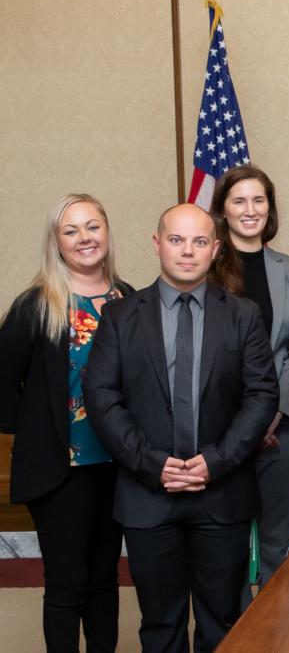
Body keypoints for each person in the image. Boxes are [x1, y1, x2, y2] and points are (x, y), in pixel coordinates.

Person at [84, 204, 278, 653]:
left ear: (214, 249)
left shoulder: (243, 315)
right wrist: (153, 464)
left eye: (198, 241)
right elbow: (102, 398)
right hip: (148, 495)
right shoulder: (119, 317)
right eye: (176, 240)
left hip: (222, 494)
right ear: (157, 245)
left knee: (225, 621)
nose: (186, 251)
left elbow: (261, 396)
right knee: (160, 623)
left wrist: (215, 462)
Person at [0, 194, 132, 652]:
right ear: (56, 241)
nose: (84, 238)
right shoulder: (37, 304)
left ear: (107, 233)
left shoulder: (129, 300)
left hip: (118, 468)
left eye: (92, 227)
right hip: (59, 472)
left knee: (105, 579)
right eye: (71, 230)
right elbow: (3, 383)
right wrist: (39, 429)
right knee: (66, 584)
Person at [208, 165, 289, 589]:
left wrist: (272, 412)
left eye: (259, 200)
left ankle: (277, 635)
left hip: (280, 429)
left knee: (280, 546)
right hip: (219, 430)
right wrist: (242, 423)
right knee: (223, 546)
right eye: (239, 201)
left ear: (269, 209)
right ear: (223, 210)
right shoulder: (204, 266)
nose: (250, 210)